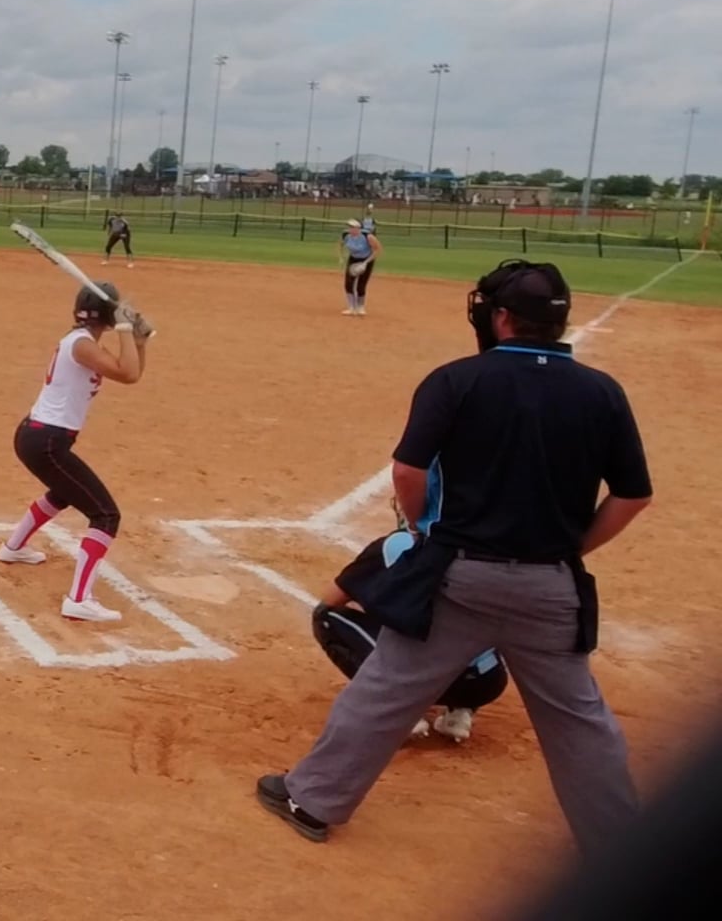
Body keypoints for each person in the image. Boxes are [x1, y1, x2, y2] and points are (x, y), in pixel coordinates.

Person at [258, 259, 653, 853]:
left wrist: (426, 530)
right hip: (551, 589)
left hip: (458, 577)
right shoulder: (602, 392)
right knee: (580, 722)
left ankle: (312, 800)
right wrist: (570, 550)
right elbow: (633, 495)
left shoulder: (458, 380)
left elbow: (408, 471)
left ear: (501, 318)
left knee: (385, 690)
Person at [314, 458, 509, 744]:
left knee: (327, 618)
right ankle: (460, 713)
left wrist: (378, 603)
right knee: (482, 616)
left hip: (423, 678)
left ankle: (400, 709)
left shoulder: (395, 545)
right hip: (486, 682)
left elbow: (331, 600)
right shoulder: (491, 548)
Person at [0, 283, 151, 623]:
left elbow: (132, 374)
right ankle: (78, 599)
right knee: (105, 515)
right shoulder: (81, 345)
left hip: (41, 438)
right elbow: (127, 373)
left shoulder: (82, 342)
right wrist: (125, 328)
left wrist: (138, 340)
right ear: (107, 316)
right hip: (46, 441)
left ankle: (13, 548)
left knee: (64, 492)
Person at [337, 219, 381, 316]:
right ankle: (351, 307)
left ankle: (360, 307)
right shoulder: (346, 235)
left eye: (353, 227)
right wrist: (341, 257)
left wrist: (365, 263)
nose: (351, 229)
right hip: (353, 259)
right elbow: (340, 244)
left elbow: (377, 249)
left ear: (359, 228)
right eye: (350, 227)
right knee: (348, 283)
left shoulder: (367, 236)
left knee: (361, 284)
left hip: (367, 259)